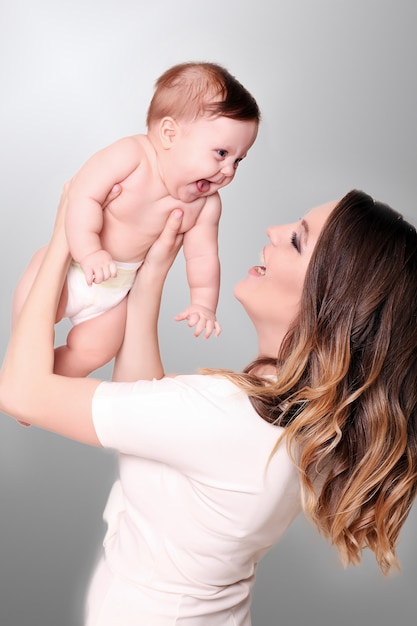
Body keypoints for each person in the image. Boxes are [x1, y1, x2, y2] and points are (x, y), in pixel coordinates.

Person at [1, 183, 417, 626]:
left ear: (332, 304)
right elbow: (151, 417)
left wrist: (68, 230)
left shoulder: (231, 415)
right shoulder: (296, 418)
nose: (274, 232)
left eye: (297, 240)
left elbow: (20, 393)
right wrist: (153, 274)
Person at [12, 62, 260, 377]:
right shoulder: (131, 156)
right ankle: (21, 371)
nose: (228, 170)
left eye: (239, 160)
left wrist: (203, 302)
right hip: (72, 266)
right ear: (169, 133)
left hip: (115, 290)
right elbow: (81, 195)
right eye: (222, 154)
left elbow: (203, 256)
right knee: (35, 316)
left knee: (97, 349)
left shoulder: (206, 205)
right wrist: (90, 251)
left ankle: (45, 387)